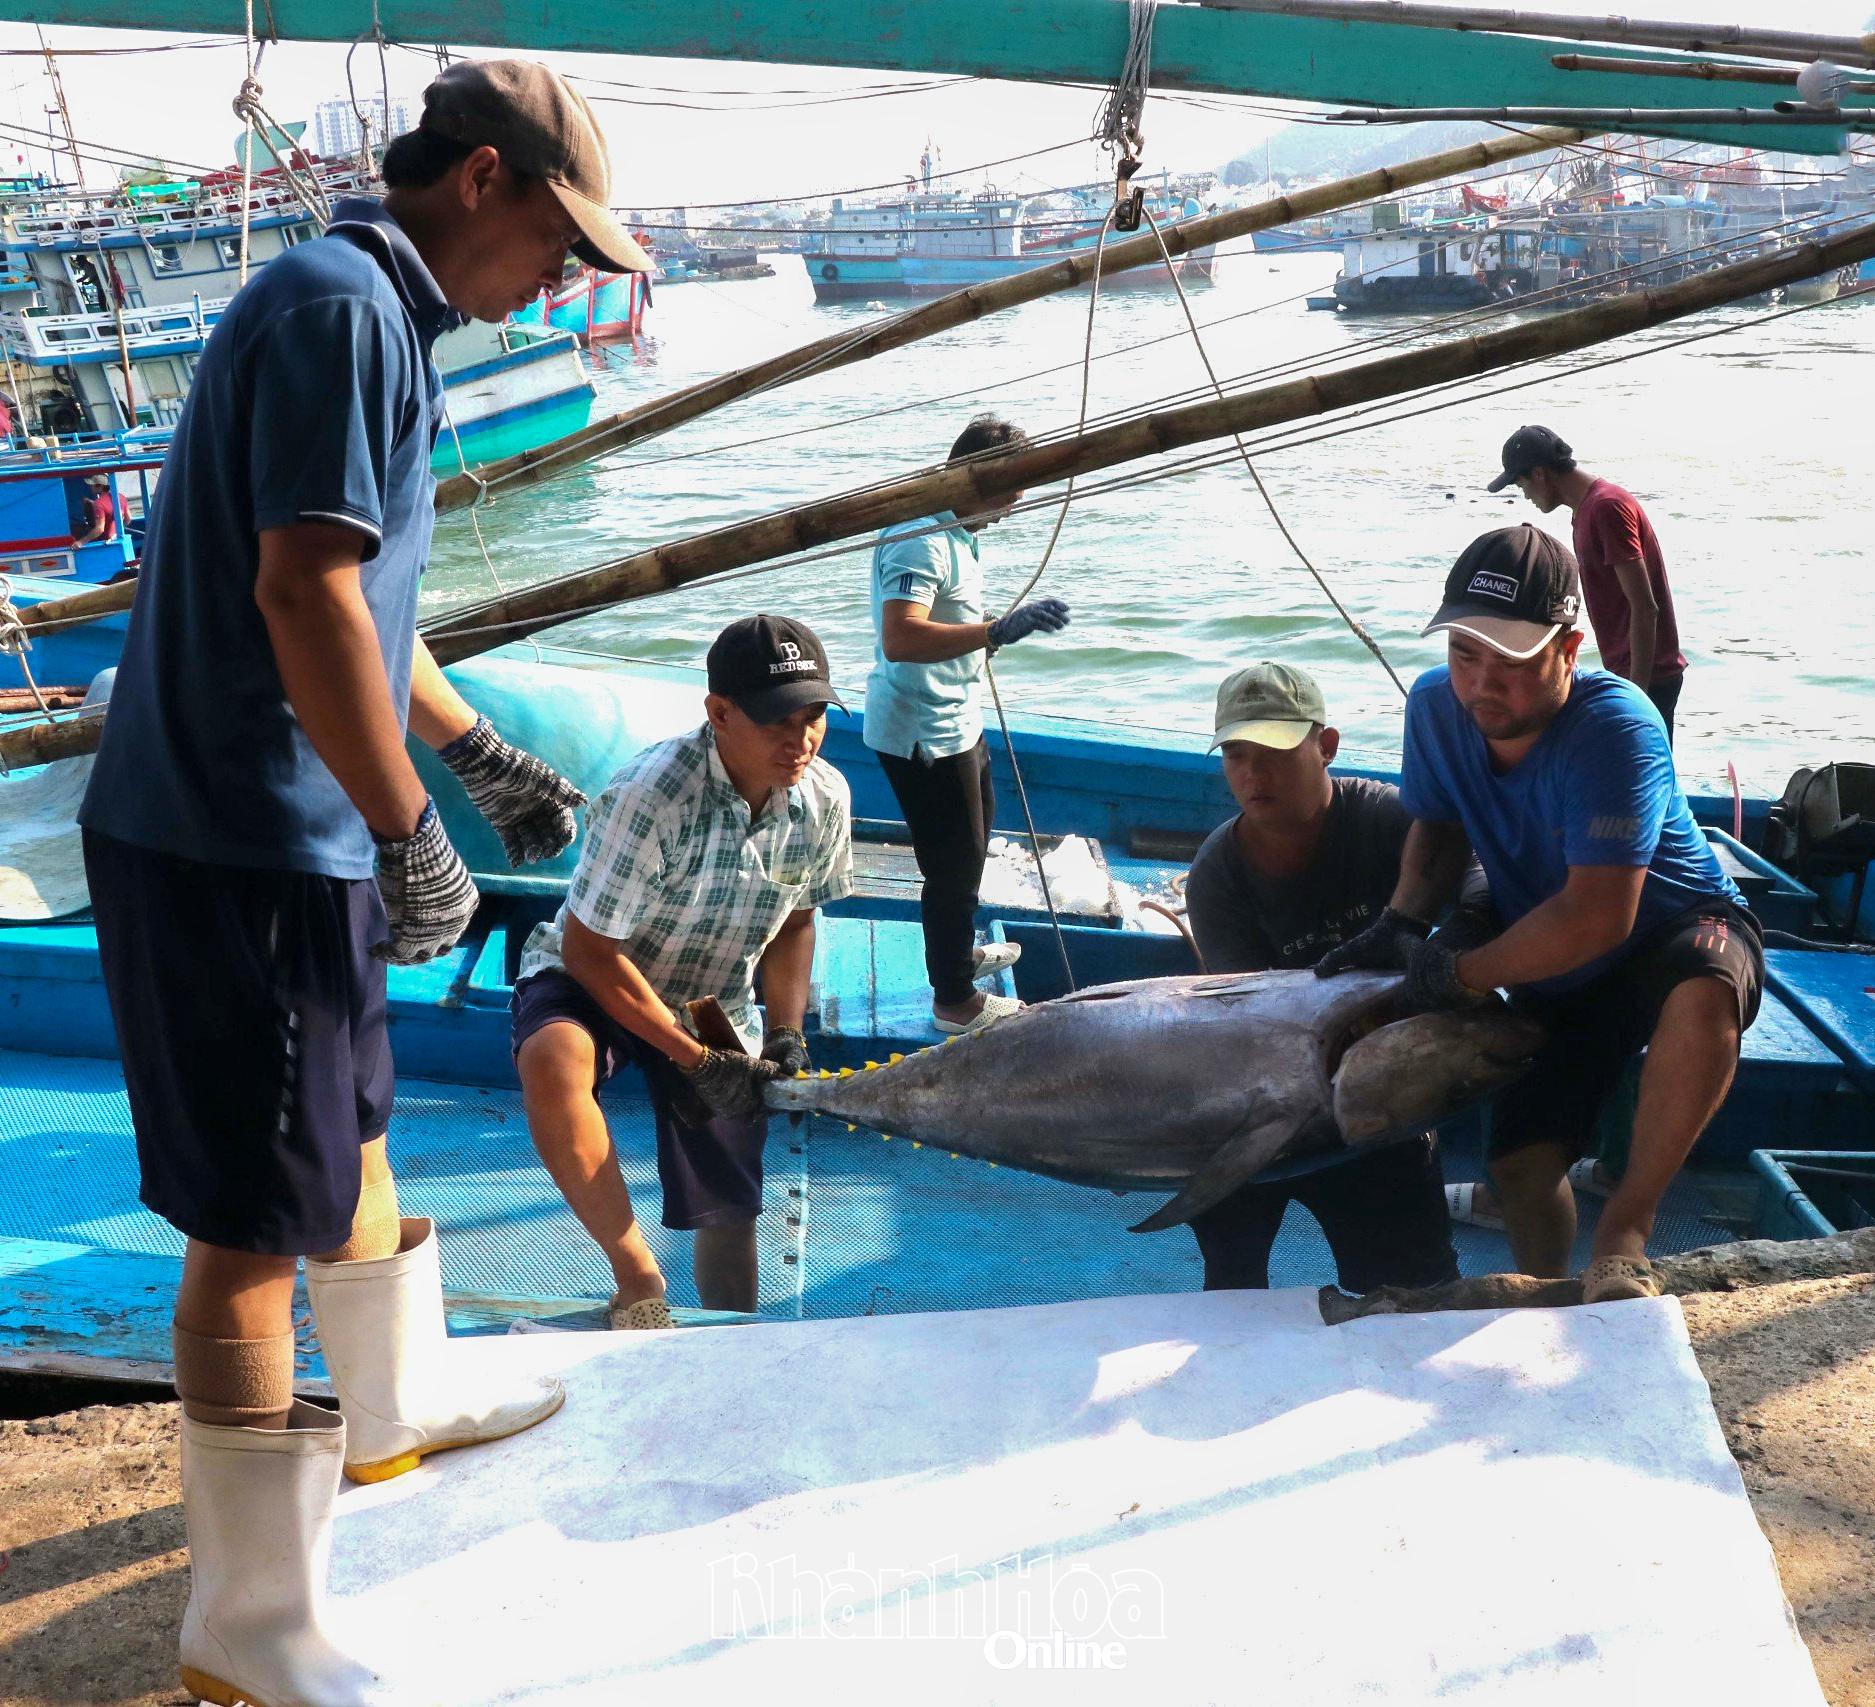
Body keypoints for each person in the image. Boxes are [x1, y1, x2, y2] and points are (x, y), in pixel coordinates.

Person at [76, 59, 647, 1705]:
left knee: (358, 1124)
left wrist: (474, 758)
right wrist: (410, 831)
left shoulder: (358, 311)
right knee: (251, 1223)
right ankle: (246, 1627)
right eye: (558, 243)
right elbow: (304, 594)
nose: (561, 285)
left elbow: (371, 612)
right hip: (237, 833)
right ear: (478, 178)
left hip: (285, 826)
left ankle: (390, 1408)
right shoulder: (343, 312)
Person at [1316, 526, 1762, 1304]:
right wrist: (1401, 922)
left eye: (1512, 662)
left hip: (1667, 926)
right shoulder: (1433, 706)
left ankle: (1624, 1232)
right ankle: (1551, 1296)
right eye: (1464, 655)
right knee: (1519, 1168)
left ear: (1568, 648)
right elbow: (1440, 829)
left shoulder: (1615, 725)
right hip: (1552, 950)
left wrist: (1455, 974)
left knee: (1703, 983)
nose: (1483, 685)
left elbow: (1597, 916)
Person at [513, 616, 852, 1326]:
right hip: (601, 975)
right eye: (775, 721)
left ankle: (735, 1329)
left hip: (713, 995)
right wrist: (693, 1057)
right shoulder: (651, 795)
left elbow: (796, 920)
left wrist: (786, 1033)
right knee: (553, 1060)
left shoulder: (826, 798)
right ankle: (635, 1272)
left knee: (729, 1198)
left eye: (812, 717)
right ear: (719, 713)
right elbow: (587, 950)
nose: (800, 740)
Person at [1182, 662, 1461, 1295]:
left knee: (1418, 1288)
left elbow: (1476, 899)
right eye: (1236, 755)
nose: (1254, 776)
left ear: (1326, 746)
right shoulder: (1217, 875)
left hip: (1384, 1093)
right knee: (1230, 1279)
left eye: (1275, 754)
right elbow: (1250, 1018)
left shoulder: (1390, 822)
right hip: (1264, 1098)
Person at [865, 412, 1071, 1035]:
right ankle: (954, 1001)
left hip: (959, 719)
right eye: (1011, 491)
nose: (1014, 507)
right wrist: (994, 629)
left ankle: (954, 957)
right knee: (952, 870)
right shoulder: (920, 538)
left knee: (973, 850)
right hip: (923, 730)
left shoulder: (958, 527)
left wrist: (996, 636)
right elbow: (900, 636)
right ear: (980, 479)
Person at [1488, 424, 1687, 742]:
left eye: (1521, 484)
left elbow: (1644, 607)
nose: (1525, 495)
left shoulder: (1606, 508)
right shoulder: (1588, 508)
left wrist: (1636, 696)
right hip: (1629, 670)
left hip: (1648, 676)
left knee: (1639, 780)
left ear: (1539, 474)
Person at [74, 472, 117, 544]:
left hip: (104, 542)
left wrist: (81, 542)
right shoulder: (121, 497)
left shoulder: (99, 503)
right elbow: (128, 519)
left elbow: (99, 529)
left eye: (92, 485)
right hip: (114, 538)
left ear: (100, 486)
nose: (90, 487)